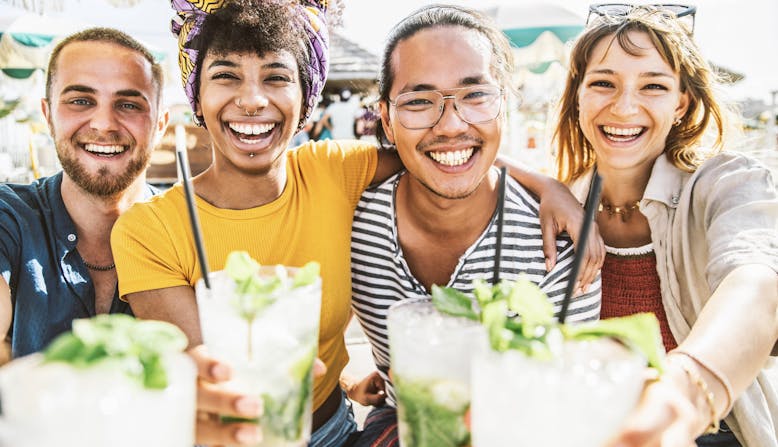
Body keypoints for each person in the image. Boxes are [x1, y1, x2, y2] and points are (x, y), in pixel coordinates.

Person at [111, 1, 601, 445]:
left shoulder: (333, 171)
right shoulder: (146, 230)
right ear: (197, 94)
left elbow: (439, 153)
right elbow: (216, 382)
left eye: (277, 77)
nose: (254, 100)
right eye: (226, 76)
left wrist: (545, 184)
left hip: (338, 430)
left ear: (306, 98)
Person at [343, 6, 603, 445]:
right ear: (386, 118)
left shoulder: (562, 246)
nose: (450, 124)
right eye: (420, 101)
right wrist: (347, 379)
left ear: (505, 104)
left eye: (475, 96)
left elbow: (570, 410)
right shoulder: (347, 218)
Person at [553, 5, 778, 446]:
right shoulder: (556, 204)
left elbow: (757, 283)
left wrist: (682, 396)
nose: (624, 106)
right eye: (603, 83)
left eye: (653, 85)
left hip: (717, 431)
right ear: (577, 95)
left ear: (681, 104)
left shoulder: (727, 182)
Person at [0, 27, 168, 360]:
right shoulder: (11, 215)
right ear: (48, 116)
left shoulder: (191, 227)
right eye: (80, 101)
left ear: (160, 126)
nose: (104, 123)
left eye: (129, 104)